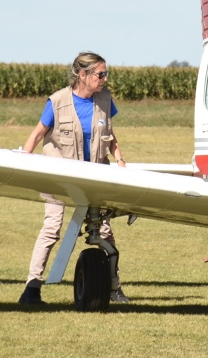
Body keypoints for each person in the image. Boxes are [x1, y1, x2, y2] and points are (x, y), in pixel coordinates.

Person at [17, 52, 129, 305]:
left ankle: (113, 288)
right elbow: (37, 134)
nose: (104, 79)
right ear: (83, 75)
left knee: (105, 233)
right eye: (100, 74)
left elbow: (110, 135)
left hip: (94, 179)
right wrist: (23, 160)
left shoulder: (105, 99)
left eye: (105, 74)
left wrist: (120, 160)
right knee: (51, 229)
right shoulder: (57, 101)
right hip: (59, 178)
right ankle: (32, 288)